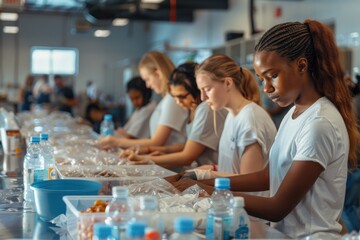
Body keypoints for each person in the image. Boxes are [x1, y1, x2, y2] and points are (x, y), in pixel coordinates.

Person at [171, 19, 359, 239]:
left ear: (301, 65)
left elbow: (277, 207)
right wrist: (202, 181)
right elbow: (269, 176)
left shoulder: (320, 123)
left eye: (273, 76)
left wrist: (207, 192)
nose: (267, 88)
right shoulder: (295, 113)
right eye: (262, 79)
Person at [193, 55, 277, 194]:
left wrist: (208, 177)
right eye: (200, 91)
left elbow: (249, 181)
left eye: (207, 89)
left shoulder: (250, 120)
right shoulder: (232, 114)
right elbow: (236, 167)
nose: (203, 98)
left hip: (251, 210)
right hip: (232, 200)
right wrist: (213, 169)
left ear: (227, 83)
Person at [123, 62, 227, 172]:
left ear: (196, 89)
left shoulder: (206, 110)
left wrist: (146, 158)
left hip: (216, 176)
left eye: (182, 96)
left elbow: (187, 156)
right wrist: (153, 151)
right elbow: (187, 146)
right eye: (174, 97)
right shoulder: (191, 109)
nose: (178, 102)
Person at [98, 51, 188, 150]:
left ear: (158, 74)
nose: (147, 85)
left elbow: (157, 141)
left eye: (147, 79)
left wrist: (115, 141)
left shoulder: (172, 100)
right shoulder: (167, 100)